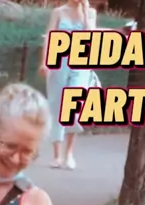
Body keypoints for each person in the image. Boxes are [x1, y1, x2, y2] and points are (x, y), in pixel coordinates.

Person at [39, 0, 100, 170]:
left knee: (74, 104)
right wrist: (45, 61)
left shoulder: (90, 13)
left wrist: (85, 11)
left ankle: (69, 153)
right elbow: (49, 37)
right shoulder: (59, 12)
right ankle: (57, 155)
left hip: (81, 61)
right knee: (56, 104)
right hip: (59, 61)